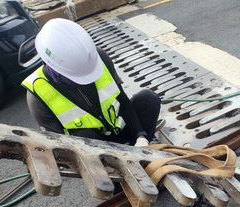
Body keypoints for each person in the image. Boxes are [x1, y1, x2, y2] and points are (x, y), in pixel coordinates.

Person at [22, 18, 164, 147]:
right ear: (54, 66)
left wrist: (140, 135)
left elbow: (122, 99)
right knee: (84, 136)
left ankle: (144, 150)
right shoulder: (37, 94)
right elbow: (62, 145)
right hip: (95, 151)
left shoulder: (97, 58)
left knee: (148, 98)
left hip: (120, 131)